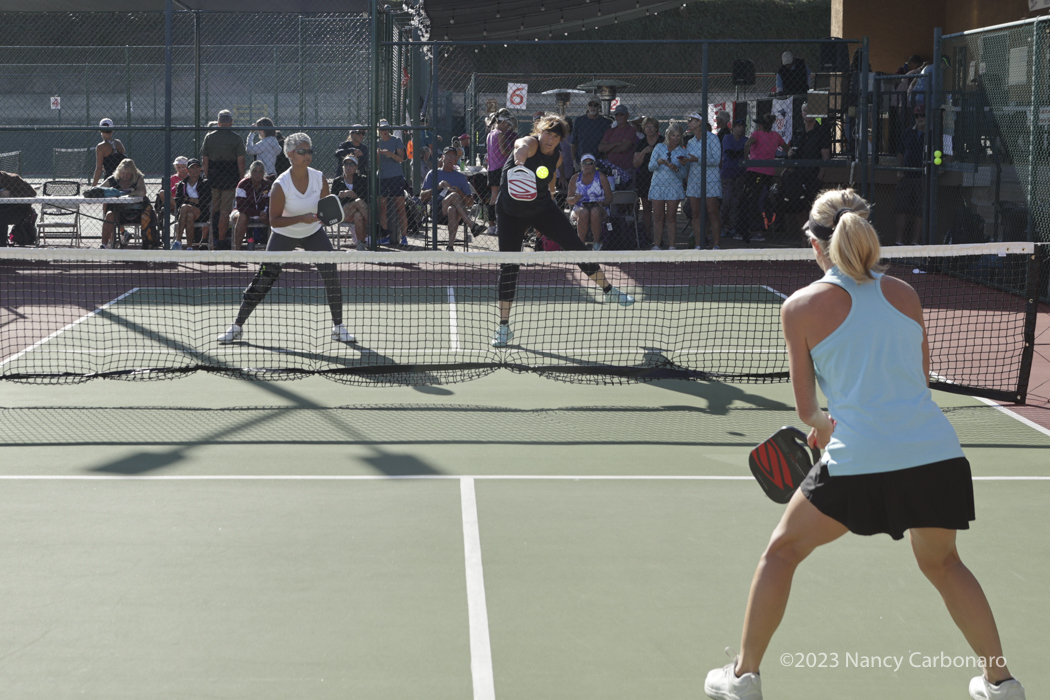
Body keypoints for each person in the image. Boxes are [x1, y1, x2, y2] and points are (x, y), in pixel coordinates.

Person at [703, 188, 1026, 700]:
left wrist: (825, 425)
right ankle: (1001, 682)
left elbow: (807, 410)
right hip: (935, 453)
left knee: (781, 554)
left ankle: (743, 678)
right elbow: (917, 380)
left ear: (816, 244)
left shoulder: (799, 307)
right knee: (945, 564)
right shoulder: (905, 293)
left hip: (859, 459)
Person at [492, 113, 634, 348]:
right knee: (509, 267)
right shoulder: (530, 144)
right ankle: (504, 327)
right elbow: (520, 145)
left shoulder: (557, 156)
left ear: (560, 140)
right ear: (539, 131)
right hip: (510, 213)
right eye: (547, 133)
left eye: (556, 137)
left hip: (541, 209)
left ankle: (609, 290)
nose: (550, 139)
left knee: (576, 247)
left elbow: (550, 177)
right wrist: (519, 158)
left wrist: (548, 201)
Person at [218, 133, 353, 344]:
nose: (307, 155)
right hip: (284, 233)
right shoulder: (280, 185)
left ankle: (339, 327)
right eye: (301, 151)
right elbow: (274, 221)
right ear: (290, 154)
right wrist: (301, 218)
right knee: (264, 278)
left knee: (331, 274)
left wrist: (322, 219)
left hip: (313, 232)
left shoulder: (319, 179)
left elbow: (325, 208)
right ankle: (236, 326)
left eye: (309, 151)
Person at [780, 102, 831, 235]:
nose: (807, 113)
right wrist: (789, 155)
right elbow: (792, 150)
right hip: (798, 175)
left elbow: (825, 156)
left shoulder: (822, 131)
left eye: (810, 111)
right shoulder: (798, 130)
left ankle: (816, 236)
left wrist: (820, 176)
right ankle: (805, 237)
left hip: (814, 174)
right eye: (804, 111)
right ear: (801, 113)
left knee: (814, 207)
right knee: (799, 207)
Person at [201, 110, 247, 246]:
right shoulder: (236, 138)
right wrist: (241, 178)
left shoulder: (209, 137)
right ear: (231, 122)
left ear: (218, 122)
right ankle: (221, 239)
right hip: (230, 176)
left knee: (212, 210)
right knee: (225, 211)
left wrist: (207, 176)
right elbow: (241, 160)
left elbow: (205, 159)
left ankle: (209, 238)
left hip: (213, 175)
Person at [742, 113, 788, 244]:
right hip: (768, 173)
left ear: (761, 125)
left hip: (754, 171)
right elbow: (786, 148)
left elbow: (747, 145)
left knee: (752, 200)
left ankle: (755, 229)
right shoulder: (775, 136)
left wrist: (746, 161)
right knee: (763, 199)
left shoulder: (757, 134)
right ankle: (761, 228)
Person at [420, 146, 476, 251]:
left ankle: (450, 246)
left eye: (453, 157)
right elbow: (422, 197)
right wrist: (437, 187)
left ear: (456, 160)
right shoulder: (433, 173)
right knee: (453, 196)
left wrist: (459, 192)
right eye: (448, 156)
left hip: (457, 212)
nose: (450, 158)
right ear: (442, 158)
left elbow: (470, 203)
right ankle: (471, 225)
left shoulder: (461, 177)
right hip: (437, 210)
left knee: (452, 209)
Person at [683, 115, 722, 249]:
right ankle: (698, 245)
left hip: (711, 181)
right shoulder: (690, 142)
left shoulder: (713, 138)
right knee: (695, 214)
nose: (688, 122)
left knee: (712, 212)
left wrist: (697, 160)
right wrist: (685, 161)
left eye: (691, 120)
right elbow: (689, 161)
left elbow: (716, 160)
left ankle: (716, 245)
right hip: (694, 181)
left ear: (699, 122)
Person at [647, 122, 688, 250]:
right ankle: (657, 245)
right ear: (668, 135)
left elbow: (683, 174)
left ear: (681, 137)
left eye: (678, 136)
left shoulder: (682, 151)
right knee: (658, 217)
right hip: (658, 186)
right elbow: (650, 167)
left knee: (671, 217)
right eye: (673, 135)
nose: (675, 138)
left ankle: (672, 246)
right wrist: (658, 162)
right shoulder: (659, 147)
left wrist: (675, 168)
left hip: (674, 187)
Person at [566, 153, 613, 249]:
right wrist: (575, 198)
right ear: (581, 165)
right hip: (579, 207)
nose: (587, 165)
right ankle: (580, 245)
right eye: (585, 163)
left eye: (590, 163)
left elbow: (609, 197)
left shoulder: (601, 177)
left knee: (595, 211)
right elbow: (569, 200)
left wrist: (602, 203)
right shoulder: (575, 178)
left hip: (599, 207)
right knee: (584, 212)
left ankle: (596, 243)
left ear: (594, 165)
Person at [99, 158, 148, 249]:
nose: (125, 175)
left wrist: (130, 193)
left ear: (133, 173)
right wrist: (109, 192)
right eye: (122, 173)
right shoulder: (113, 179)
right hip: (118, 212)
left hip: (135, 212)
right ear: (118, 172)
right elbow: (99, 189)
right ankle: (104, 245)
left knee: (148, 214)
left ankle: (148, 243)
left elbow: (143, 192)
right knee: (109, 215)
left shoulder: (138, 178)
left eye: (128, 173)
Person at [896, 104, 927, 245]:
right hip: (907, 176)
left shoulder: (932, 134)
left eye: (923, 115)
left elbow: (949, 152)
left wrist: (941, 168)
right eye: (917, 116)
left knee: (920, 210)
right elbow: (900, 153)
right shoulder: (908, 132)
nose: (920, 118)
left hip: (922, 177)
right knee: (901, 208)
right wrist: (900, 169)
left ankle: (915, 242)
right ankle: (899, 242)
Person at [377, 119, 408, 247]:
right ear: (378, 130)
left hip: (396, 177)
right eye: (382, 129)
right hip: (382, 178)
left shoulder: (396, 140)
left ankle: (404, 237)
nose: (384, 131)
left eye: (386, 129)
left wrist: (390, 154)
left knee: (400, 207)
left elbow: (401, 159)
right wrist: (377, 155)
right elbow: (376, 163)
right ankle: (385, 237)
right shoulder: (376, 142)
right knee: (382, 208)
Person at [485, 109, 517, 236]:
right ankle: (500, 225)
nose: (508, 127)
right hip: (501, 169)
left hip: (492, 169)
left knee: (493, 197)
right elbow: (504, 151)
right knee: (502, 197)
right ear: (503, 122)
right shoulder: (500, 134)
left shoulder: (490, 134)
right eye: (507, 124)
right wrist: (515, 150)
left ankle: (491, 225)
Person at [633, 116, 664, 243]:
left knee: (660, 209)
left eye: (652, 126)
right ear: (643, 129)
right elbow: (635, 164)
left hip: (661, 177)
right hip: (644, 178)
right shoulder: (641, 143)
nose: (649, 129)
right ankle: (648, 236)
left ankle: (659, 237)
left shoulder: (663, 141)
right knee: (646, 208)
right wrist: (643, 152)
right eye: (647, 127)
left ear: (656, 128)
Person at [331, 155, 370, 251]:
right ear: (343, 166)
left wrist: (355, 196)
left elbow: (368, 198)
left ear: (356, 167)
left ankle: (361, 244)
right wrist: (339, 196)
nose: (348, 167)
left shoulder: (363, 179)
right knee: (358, 201)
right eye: (346, 164)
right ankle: (374, 226)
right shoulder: (337, 181)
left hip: (360, 211)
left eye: (352, 164)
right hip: (343, 212)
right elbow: (332, 201)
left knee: (358, 216)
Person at [231, 160, 271, 250]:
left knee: (274, 218)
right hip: (243, 212)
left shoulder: (268, 184)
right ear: (250, 172)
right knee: (242, 217)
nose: (258, 174)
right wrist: (257, 213)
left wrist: (265, 213)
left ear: (264, 173)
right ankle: (236, 250)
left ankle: (273, 251)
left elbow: (271, 203)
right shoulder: (242, 184)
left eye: (260, 171)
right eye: (255, 171)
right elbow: (241, 207)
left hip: (262, 214)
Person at [174, 158, 212, 250]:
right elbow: (178, 201)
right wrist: (194, 200)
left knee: (184, 207)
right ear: (187, 170)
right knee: (189, 215)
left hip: (201, 212)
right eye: (192, 168)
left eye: (197, 167)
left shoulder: (205, 183)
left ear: (200, 169)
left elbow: (206, 200)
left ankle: (178, 241)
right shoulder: (182, 184)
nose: (195, 170)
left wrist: (187, 199)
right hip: (186, 213)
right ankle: (189, 247)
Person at [720, 118, 748, 240]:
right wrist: (742, 151)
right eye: (738, 126)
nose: (740, 129)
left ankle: (732, 227)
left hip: (740, 174)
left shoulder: (745, 140)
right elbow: (731, 153)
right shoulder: (727, 138)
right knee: (726, 201)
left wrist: (741, 152)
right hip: (727, 173)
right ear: (733, 128)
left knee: (735, 202)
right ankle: (721, 226)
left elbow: (745, 153)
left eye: (742, 127)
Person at [597, 104, 637, 186]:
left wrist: (608, 148)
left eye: (621, 114)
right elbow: (600, 148)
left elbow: (623, 148)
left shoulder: (631, 130)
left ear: (627, 115)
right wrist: (616, 143)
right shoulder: (610, 131)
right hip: (611, 170)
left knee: (627, 192)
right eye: (617, 115)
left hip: (626, 169)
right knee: (612, 191)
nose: (619, 117)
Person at [571, 97, 611, 170]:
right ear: (587, 106)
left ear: (599, 107)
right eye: (590, 105)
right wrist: (574, 160)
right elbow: (574, 143)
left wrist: (605, 160)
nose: (593, 107)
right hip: (581, 161)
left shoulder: (605, 123)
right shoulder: (579, 121)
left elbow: (608, 143)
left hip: (599, 161)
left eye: (595, 105)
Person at [0, 170, 36, 246]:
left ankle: (2, 246)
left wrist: (10, 194)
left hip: (18, 210)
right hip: (2, 210)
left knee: (1, 217)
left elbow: (32, 192)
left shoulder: (13, 179)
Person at [91, 118, 127, 186]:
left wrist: (93, 186)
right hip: (122, 179)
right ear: (112, 130)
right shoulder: (118, 143)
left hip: (110, 181)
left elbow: (99, 168)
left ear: (100, 131)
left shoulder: (101, 147)